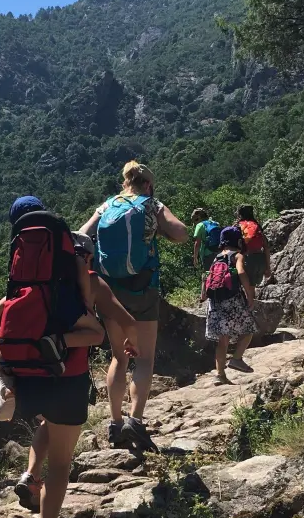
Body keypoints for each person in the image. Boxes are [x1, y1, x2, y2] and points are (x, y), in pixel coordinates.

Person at [0, 232, 137, 518]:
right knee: (60, 464)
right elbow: (126, 320)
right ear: (88, 258)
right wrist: (131, 342)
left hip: (32, 375)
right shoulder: (93, 281)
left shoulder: (35, 285)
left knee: (48, 424)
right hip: (69, 379)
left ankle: (31, 475)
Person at [79, 161, 188, 452]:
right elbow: (181, 232)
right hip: (143, 287)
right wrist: (159, 231)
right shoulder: (151, 204)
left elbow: (80, 236)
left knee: (118, 356)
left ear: (125, 182)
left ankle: (115, 425)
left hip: (110, 291)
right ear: (148, 184)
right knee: (145, 358)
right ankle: (135, 422)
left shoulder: (107, 205)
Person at [0, 196, 97, 422]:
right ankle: (59, 342)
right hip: (61, 302)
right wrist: (86, 305)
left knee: (2, 332)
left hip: (22, 302)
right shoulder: (58, 236)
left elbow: (14, 290)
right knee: (97, 333)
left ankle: (6, 384)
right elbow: (79, 269)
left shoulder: (20, 243)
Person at [200, 226, 257, 382]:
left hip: (215, 301)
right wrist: (250, 295)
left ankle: (220, 375)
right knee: (249, 329)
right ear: (238, 240)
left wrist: (203, 295)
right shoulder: (237, 256)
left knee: (222, 339)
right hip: (232, 300)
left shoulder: (217, 257)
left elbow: (207, 277)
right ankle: (236, 359)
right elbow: (241, 273)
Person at [235, 204, 272, 287]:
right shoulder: (257, 226)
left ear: (239, 214)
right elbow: (266, 247)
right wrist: (268, 267)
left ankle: (250, 300)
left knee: (247, 288)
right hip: (260, 259)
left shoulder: (239, 226)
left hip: (246, 259)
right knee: (252, 287)